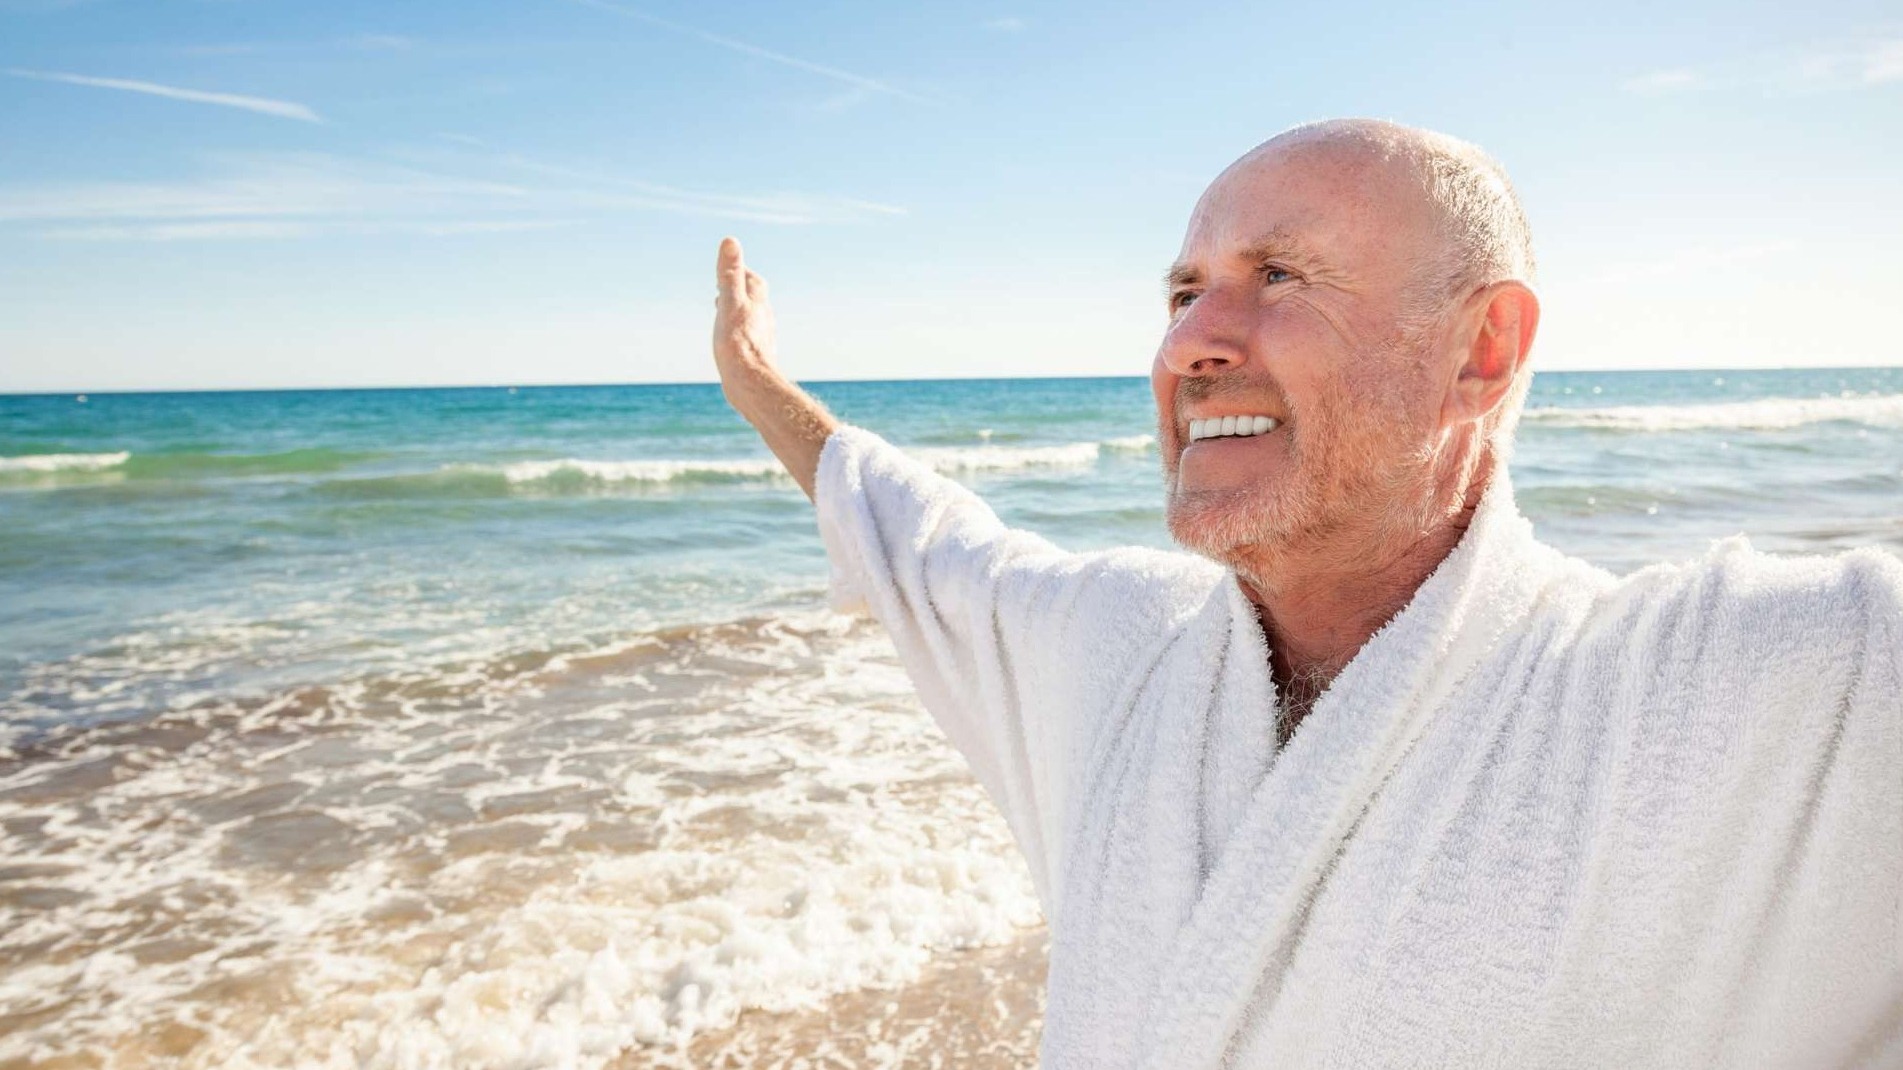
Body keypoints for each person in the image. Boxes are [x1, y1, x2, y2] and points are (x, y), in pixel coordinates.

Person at [706, 119, 1903, 1069]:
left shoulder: (1737, 685)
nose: (1189, 345)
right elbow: (927, 544)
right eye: (1182, 294)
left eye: (1277, 275)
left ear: (1481, 349)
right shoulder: (1116, 643)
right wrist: (757, 382)